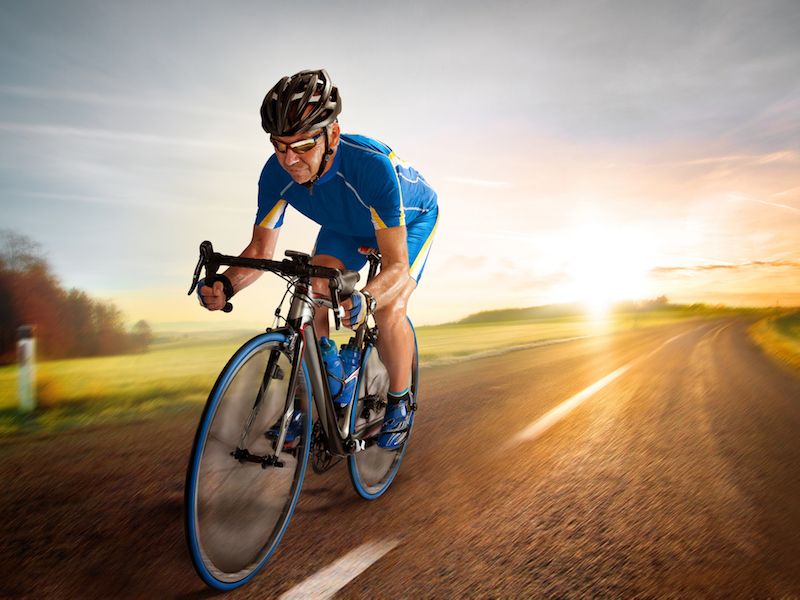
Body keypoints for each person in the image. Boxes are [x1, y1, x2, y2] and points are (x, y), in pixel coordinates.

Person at [197, 69, 438, 449]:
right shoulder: (275, 173)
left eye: (304, 145)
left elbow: (396, 267)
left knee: (388, 309)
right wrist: (227, 284)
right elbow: (260, 250)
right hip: (345, 225)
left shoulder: (370, 168)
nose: (289, 159)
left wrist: (368, 297)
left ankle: (399, 403)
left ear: (333, 136)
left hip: (408, 222)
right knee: (314, 283)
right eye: (279, 145)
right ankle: (320, 394)